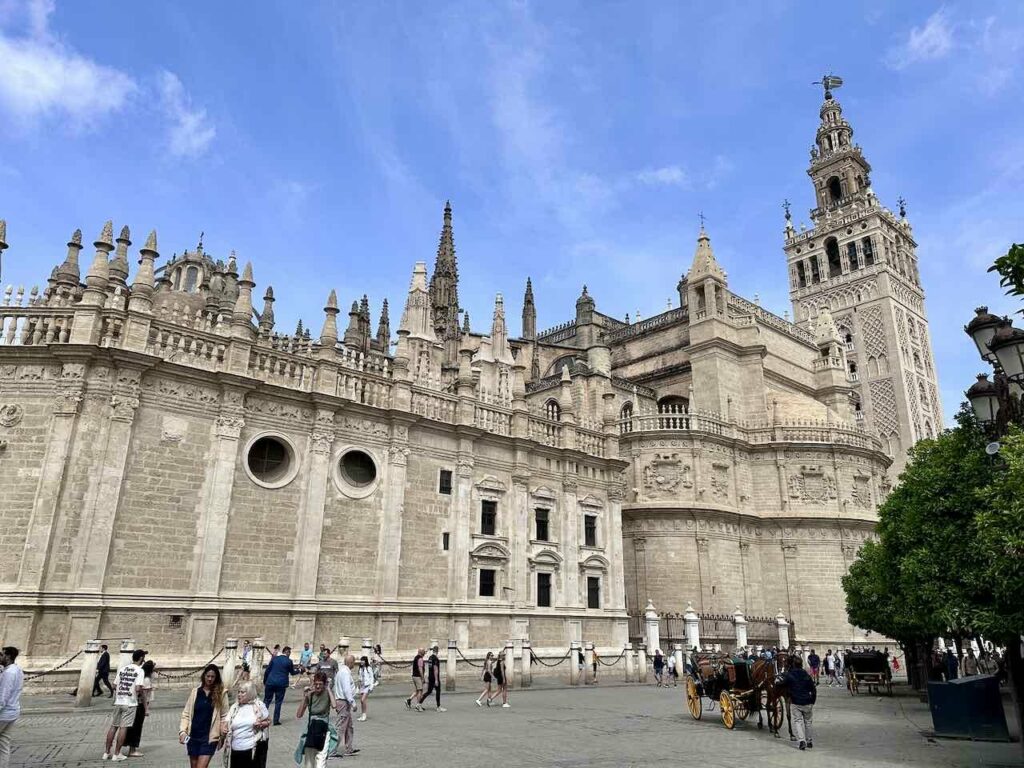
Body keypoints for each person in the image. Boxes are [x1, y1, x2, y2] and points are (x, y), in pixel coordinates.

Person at [178, 663, 228, 768]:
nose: (210, 679)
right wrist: (183, 731)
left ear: (216, 678)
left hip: (209, 738)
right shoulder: (195, 692)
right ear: (204, 676)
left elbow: (224, 716)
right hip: (193, 736)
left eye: (212, 677)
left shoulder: (221, 694)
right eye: (208, 676)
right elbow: (186, 714)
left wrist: (223, 733)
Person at [103, 648, 146, 762]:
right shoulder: (140, 671)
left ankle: (106, 752)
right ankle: (117, 753)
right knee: (123, 727)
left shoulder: (123, 669)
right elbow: (137, 688)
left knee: (113, 727)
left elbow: (113, 685)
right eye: (143, 657)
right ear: (141, 658)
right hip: (130, 703)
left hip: (119, 701)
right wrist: (140, 692)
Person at [223, 680, 270, 768]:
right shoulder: (234, 707)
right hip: (235, 749)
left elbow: (268, 721)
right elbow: (226, 723)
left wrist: (261, 724)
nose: (239, 694)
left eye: (242, 692)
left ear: (250, 693)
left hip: (252, 749)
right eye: (238, 692)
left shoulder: (259, 705)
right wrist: (224, 729)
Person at [295, 672, 337, 768]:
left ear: (324, 684)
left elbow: (334, 705)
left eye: (320, 684)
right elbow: (299, 714)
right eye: (316, 684)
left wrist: (329, 689)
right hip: (311, 728)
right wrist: (305, 697)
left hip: (324, 728)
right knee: (309, 761)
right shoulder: (310, 694)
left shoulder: (327, 693)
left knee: (321, 759)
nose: (318, 686)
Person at [782, 656, 817, 751]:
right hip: (807, 701)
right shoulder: (806, 675)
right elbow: (813, 689)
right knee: (808, 722)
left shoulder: (790, 675)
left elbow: (783, 684)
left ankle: (802, 741)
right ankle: (809, 741)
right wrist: (813, 700)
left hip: (796, 701)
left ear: (792, 664)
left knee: (798, 721)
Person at [124, 659, 155, 758]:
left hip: (135, 704)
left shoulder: (142, 678)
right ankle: (132, 750)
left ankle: (128, 748)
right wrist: (146, 709)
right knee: (137, 727)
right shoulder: (146, 680)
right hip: (140, 706)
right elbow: (144, 696)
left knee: (132, 726)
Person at [0, 646, 23, 768]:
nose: (1, 657)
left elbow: (3, 696)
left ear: (8, 656)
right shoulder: (17, 670)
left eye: (2, 655)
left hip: (3, 714)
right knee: (4, 744)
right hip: (13, 712)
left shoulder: (9, 673)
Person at [332, 654, 359, 757]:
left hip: (343, 701)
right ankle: (331, 750)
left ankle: (349, 748)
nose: (354, 664)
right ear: (350, 662)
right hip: (344, 702)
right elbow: (346, 689)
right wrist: (353, 703)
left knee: (349, 726)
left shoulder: (342, 671)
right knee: (341, 726)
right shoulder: (345, 673)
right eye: (354, 662)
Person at [263, 645, 297, 725]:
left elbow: (267, 671)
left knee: (266, 701)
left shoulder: (274, 659)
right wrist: (299, 670)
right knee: (278, 702)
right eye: (289, 653)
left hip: (270, 682)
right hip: (281, 684)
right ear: (287, 652)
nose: (290, 654)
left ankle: (263, 718)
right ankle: (276, 720)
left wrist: (265, 681)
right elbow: (292, 673)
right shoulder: (289, 661)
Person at [417, 645, 446, 712]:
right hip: (434, 678)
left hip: (430, 677)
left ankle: (419, 703)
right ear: (437, 651)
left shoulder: (430, 658)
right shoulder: (435, 659)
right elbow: (435, 669)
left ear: (433, 651)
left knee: (429, 691)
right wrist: (436, 680)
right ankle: (438, 707)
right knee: (438, 691)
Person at [357, 655, 375, 722]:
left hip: (367, 686)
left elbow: (371, 677)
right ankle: (362, 714)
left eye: (363, 660)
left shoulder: (368, 668)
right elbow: (360, 677)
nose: (361, 662)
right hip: (362, 686)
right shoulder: (361, 668)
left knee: (362, 700)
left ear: (365, 661)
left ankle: (364, 714)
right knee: (362, 701)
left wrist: (371, 686)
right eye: (361, 660)